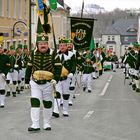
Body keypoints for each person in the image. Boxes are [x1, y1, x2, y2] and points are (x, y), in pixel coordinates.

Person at [25, 11, 62, 132]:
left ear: (47, 44)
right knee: (35, 102)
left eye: (45, 43)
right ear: (37, 44)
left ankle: (46, 123)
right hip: (35, 82)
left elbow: (58, 67)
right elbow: (29, 67)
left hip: (48, 83)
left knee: (47, 104)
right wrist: (26, 80)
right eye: (40, 43)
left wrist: (56, 79)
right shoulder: (33, 53)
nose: (43, 45)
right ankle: (35, 124)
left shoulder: (53, 53)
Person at [52, 37, 76, 118]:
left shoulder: (71, 55)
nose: (62, 47)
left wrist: (72, 72)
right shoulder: (55, 55)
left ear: (66, 46)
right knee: (57, 94)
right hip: (58, 78)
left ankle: (65, 110)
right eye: (60, 45)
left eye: (64, 45)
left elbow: (73, 65)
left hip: (67, 77)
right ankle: (56, 110)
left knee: (65, 94)